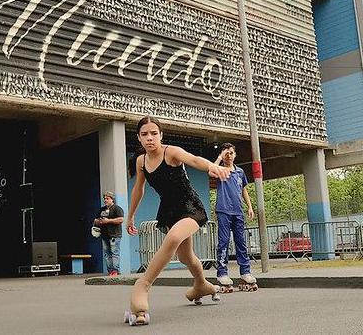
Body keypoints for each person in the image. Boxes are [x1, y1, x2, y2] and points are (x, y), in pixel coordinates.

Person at [125, 116, 231, 325]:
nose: (150, 138)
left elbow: (192, 159)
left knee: (173, 238)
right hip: (170, 210)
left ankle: (143, 283)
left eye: (154, 133)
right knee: (186, 257)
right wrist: (130, 216)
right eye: (144, 134)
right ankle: (201, 284)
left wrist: (212, 166)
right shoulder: (140, 162)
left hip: (190, 206)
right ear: (138, 138)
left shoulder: (170, 152)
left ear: (161, 135)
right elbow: (139, 188)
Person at [212, 143, 256, 292]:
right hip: (223, 211)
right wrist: (219, 157)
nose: (229, 155)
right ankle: (222, 273)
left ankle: (245, 272)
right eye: (226, 153)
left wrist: (249, 207)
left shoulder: (240, 172)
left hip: (238, 212)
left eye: (231, 153)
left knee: (241, 243)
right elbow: (211, 172)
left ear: (235, 155)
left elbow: (244, 190)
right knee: (223, 242)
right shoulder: (220, 170)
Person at [94, 192, 124, 276]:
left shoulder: (117, 208)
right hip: (104, 235)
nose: (105, 200)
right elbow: (96, 220)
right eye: (104, 198)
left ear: (112, 199)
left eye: (107, 198)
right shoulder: (101, 209)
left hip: (114, 235)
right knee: (107, 254)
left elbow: (121, 220)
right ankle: (110, 270)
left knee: (114, 253)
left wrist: (108, 221)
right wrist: (98, 221)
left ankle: (115, 271)